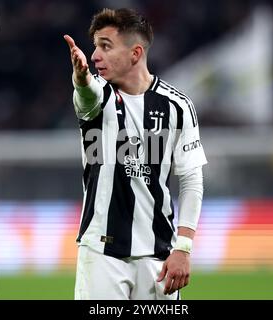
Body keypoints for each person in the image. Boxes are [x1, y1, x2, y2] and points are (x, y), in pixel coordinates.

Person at [64, 8, 207, 300]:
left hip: (158, 257)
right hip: (102, 253)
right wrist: (80, 78)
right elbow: (86, 94)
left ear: (135, 53)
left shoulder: (177, 107)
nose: (94, 56)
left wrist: (183, 247)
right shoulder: (99, 99)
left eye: (105, 46)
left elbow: (191, 180)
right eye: (94, 47)